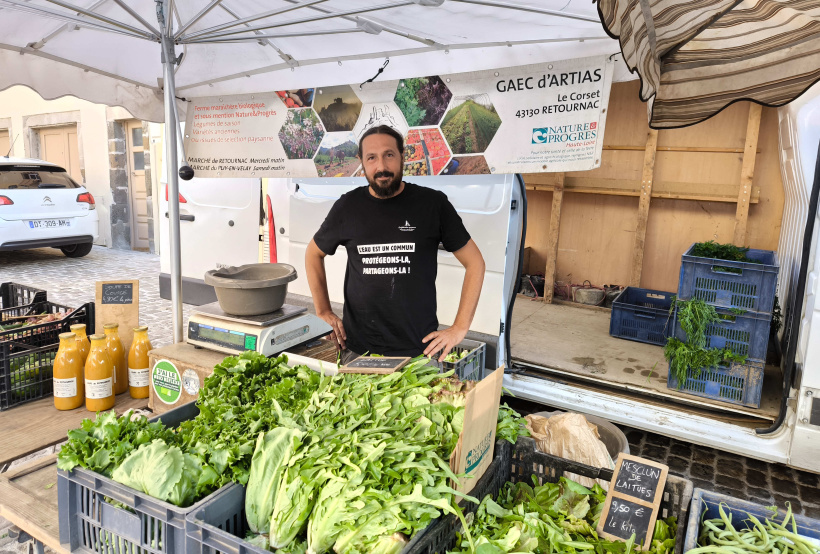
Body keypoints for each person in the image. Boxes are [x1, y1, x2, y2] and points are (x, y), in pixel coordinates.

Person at [305, 125, 485, 363]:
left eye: (389, 155)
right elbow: (312, 254)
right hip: (358, 350)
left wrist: (460, 327)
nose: (381, 167)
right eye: (372, 158)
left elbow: (475, 264)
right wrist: (323, 312)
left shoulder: (433, 205)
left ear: (403, 156)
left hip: (419, 352)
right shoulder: (347, 207)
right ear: (362, 161)